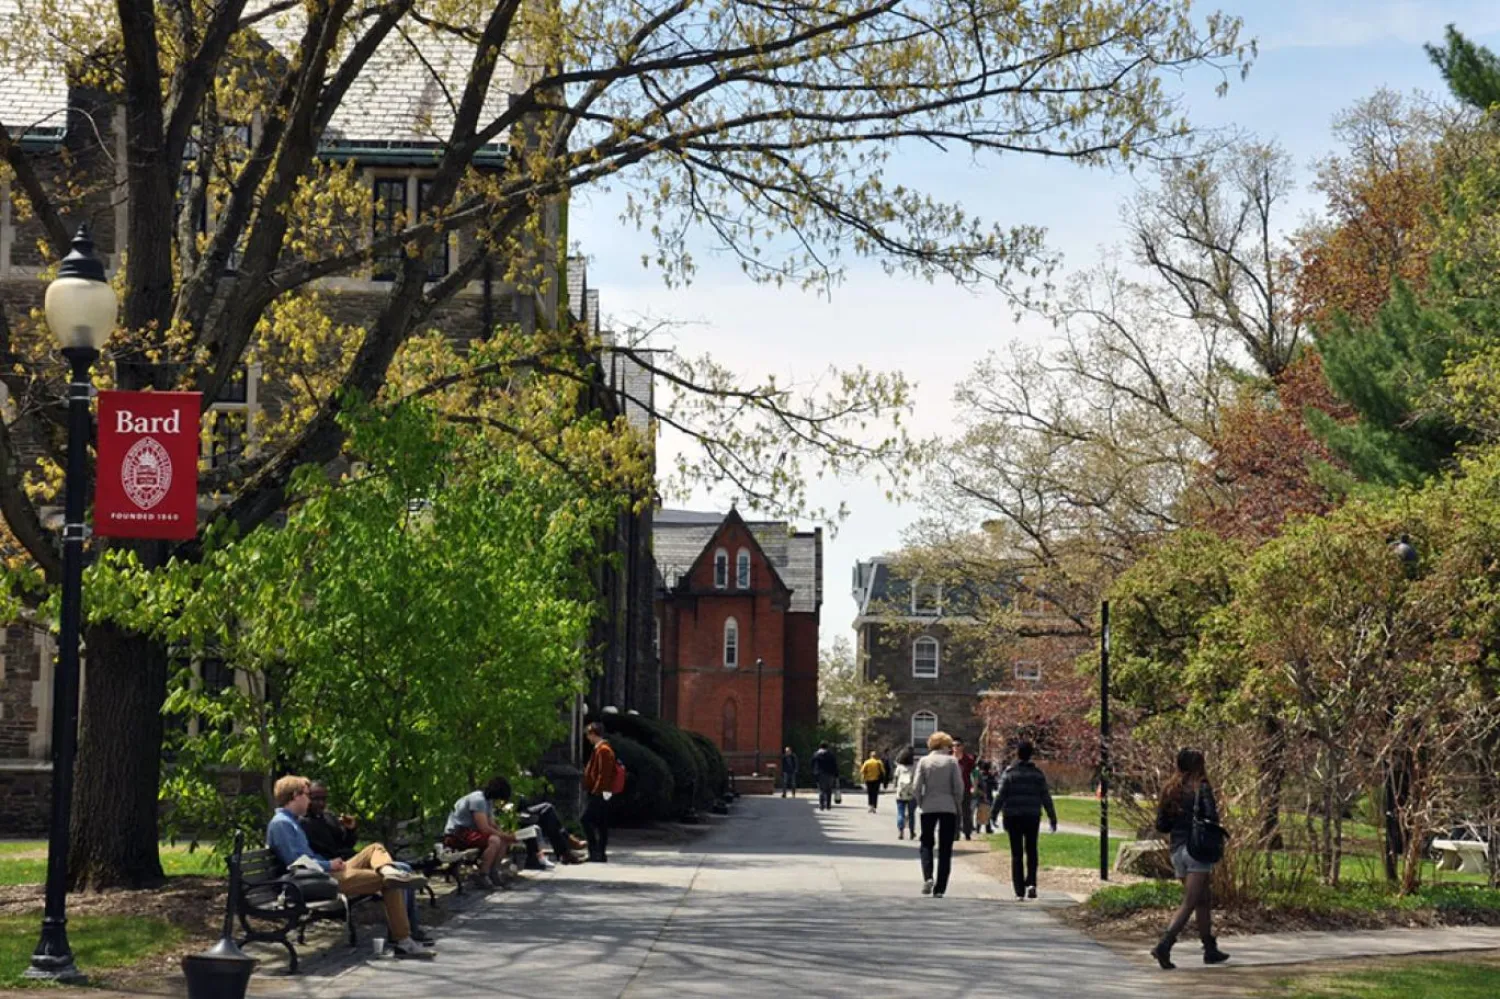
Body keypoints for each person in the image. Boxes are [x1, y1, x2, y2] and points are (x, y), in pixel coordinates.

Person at [266, 775, 433, 959]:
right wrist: (328, 864)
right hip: (312, 881)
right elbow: (296, 862)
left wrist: (332, 860)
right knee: (390, 882)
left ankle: (388, 870)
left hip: (322, 873)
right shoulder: (282, 824)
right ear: (295, 796)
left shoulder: (291, 821)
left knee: (375, 848)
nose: (309, 800)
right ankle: (404, 941)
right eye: (307, 795)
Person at [302, 780, 432, 943]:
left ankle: (411, 928)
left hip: (348, 861)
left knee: (401, 868)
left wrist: (350, 830)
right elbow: (317, 855)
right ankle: (403, 933)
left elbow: (345, 843)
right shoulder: (303, 824)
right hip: (335, 869)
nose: (321, 803)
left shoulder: (328, 817)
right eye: (316, 799)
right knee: (398, 874)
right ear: (307, 798)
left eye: (324, 799)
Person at [1151, 748, 1230, 969]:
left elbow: (1161, 825)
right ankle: (1164, 945)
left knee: (1203, 899)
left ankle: (1210, 949)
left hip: (1177, 851)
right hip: (1197, 850)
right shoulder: (1201, 787)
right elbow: (1212, 817)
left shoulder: (1170, 789)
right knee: (1190, 901)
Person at [996, 742, 1058, 900]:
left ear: (1017, 754)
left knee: (1016, 853)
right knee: (1031, 849)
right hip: (1032, 815)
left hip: (1013, 816)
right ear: (1031, 755)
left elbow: (1001, 795)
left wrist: (993, 814)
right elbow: (1045, 796)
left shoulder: (1010, 773)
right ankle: (1031, 883)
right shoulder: (1037, 774)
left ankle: (1019, 891)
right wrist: (1052, 817)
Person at [444, 777, 523, 888]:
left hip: (469, 833)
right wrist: (505, 835)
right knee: (494, 840)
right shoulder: (478, 800)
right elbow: (484, 828)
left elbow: (492, 823)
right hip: (457, 834)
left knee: (503, 840)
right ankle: (483, 874)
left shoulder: (487, 801)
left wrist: (507, 836)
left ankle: (494, 871)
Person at [913, 731, 964, 898]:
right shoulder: (952, 762)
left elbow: (916, 786)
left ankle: (928, 876)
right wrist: (957, 804)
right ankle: (940, 888)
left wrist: (920, 802)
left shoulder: (924, 761)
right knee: (945, 847)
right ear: (944, 746)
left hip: (928, 805)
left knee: (926, 842)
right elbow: (958, 786)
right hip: (948, 806)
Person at [582, 722, 617, 862]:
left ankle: (595, 850)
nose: (587, 738)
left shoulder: (603, 750)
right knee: (601, 823)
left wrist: (596, 791)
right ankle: (599, 853)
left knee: (586, 820)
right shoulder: (600, 749)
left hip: (600, 793)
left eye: (588, 734)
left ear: (593, 734)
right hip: (600, 792)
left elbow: (604, 774)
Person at [953, 738, 977, 841]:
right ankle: (955, 833)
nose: (955, 747)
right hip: (953, 790)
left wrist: (974, 786)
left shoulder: (968, 759)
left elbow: (975, 773)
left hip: (965, 788)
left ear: (962, 746)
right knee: (955, 812)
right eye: (953, 745)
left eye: (958, 745)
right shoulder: (949, 759)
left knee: (966, 812)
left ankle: (967, 832)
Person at [893, 746, 918, 840]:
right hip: (912, 793)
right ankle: (912, 832)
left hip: (901, 792)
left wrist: (896, 787)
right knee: (911, 814)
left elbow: (895, 779)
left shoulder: (899, 767)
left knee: (900, 813)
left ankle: (900, 831)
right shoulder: (915, 766)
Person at [811, 741, 838, 810]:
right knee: (829, 790)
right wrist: (836, 774)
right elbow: (834, 765)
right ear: (827, 747)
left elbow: (812, 764)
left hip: (819, 774)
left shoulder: (816, 754)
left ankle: (821, 804)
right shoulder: (831, 755)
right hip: (829, 774)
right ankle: (828, 805)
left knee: (821, 790)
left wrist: (814, 773)